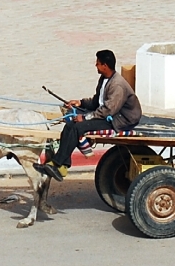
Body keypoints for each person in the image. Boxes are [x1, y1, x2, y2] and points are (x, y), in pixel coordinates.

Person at [35, 49, 142, 180]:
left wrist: (85, 117)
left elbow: (108, 110)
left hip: (120, 120)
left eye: (97, 63)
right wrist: (79, 103)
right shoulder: (104, 79)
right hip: (108, 114)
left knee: (78, 127)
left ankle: (57, 164)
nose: (95, 65)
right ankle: (62, 166)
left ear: (105, 66)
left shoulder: (117, 85)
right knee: (70, 121)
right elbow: (97, 101)